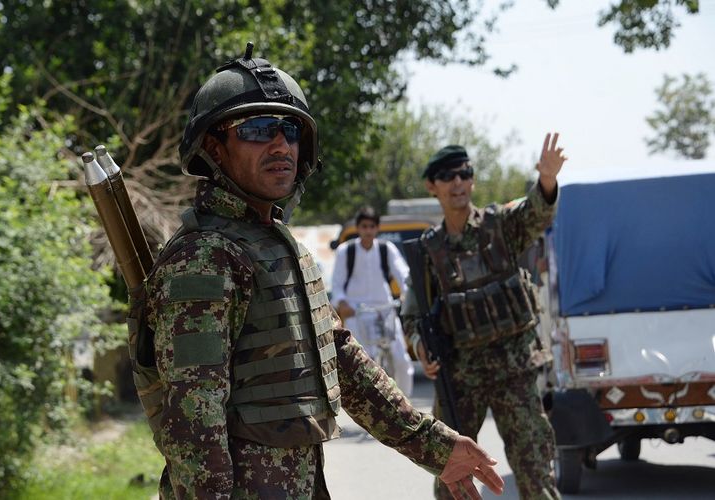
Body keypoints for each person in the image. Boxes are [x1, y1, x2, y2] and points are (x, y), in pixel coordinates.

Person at [137, 43, 504, 499]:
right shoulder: (205, 257)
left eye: (290, 130)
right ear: (214, 146)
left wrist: (434, 445)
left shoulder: (282, 246)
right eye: (257, 128)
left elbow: (340, 360)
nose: (280, 144)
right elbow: (193, 420)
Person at [402, 139, 567, 500]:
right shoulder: (428, 252)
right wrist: (420, 346)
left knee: (535, 472)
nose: (458, 182)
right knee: (453, 479)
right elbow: (412, 316)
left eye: (465, 173)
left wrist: (547, 181)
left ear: (473, 181)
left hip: (515, 370)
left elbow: (536, 214)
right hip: (461, 377)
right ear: (433, 185)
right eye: (448, 176)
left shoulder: (500, 226)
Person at [331, 206, 415, 396]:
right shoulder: (347, 251)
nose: (368, 231)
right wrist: (342, 303)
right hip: (356, 312)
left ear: (377, 228)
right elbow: (337, 283)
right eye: (364, 226)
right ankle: (368, 405)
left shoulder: (387, 249)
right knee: (361, 363)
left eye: (371, 227)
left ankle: (406, 406)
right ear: (358, 228)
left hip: (384, 311)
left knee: (401, 360)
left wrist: (407, 295)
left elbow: (403, 275)